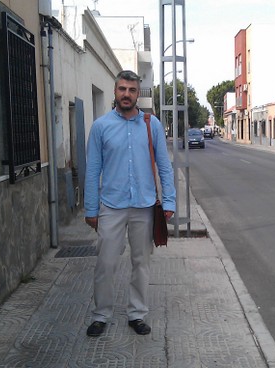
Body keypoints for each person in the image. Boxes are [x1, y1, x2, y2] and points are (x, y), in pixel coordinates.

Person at [84, 70, 176, 337]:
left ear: (138, 94)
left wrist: (168, 200)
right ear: (115, 91)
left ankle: (137, 313)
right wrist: (91, 209)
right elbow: (93, 170)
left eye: (132, 90)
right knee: (105, 263)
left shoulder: (152, 124)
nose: (126, 94)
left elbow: (164, 166)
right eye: (122, 89)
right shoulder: (101, 126)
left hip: (144, 207)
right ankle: (101, 314)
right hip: (111, 206)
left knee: (141, 263)